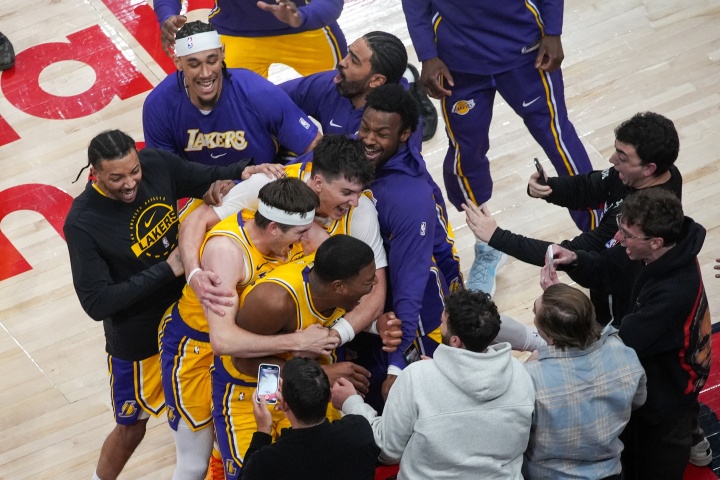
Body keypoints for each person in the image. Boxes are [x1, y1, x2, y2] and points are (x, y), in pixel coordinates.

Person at [63, 130, 264, 480]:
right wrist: (167, 269)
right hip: (140, 340)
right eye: (117, 178)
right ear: (94, 173)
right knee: (131, 428)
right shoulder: (82, 222)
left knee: (213, 413)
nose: (130, 183)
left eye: (134, 171)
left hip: (191, 320)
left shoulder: (156, 164)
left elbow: (204, 177)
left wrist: (239, 173)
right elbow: (97, 303)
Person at [402, 0, 597, 294]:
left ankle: (600, 233)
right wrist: (427, 54)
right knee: (465, 155)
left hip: (525, 50)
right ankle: (487, 244)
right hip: (458, 61)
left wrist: (553, 30)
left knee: (557, 139)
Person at [159, 177, 339, 479]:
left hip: (258, 357)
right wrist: (298, 341)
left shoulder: (284, 221)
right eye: (299, 233)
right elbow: (223, 341)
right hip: (197, 348)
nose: (304, 239)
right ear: (274, 228)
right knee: (194, 462)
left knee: (269, 424)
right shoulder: (227, 252)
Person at [547, 188, 712, 479]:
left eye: (626, 234)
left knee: (653, 467)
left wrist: (560, 306)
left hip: (667, 396)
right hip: (652, 373)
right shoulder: (660, 250)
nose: (618, 238)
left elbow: (617, 346)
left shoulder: (673, 292)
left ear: (655, 242)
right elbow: (605, 269)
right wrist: (574, 258)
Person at [178, 135, 398, 348]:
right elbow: (196, 220)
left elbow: (370, 289)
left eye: (359, 192)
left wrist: (332, 337)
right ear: (318, 182)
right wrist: (194, 273)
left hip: (274, 336)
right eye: (347, 192)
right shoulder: (267, 186)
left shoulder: (358, 215)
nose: (355, 202)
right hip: (208, 337)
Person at [464, 111, 683, 323]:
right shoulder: (663, 173)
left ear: (648, 169)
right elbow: (590, 187)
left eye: (622, 157)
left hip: (622, 305)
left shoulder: (633, 218)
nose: (612, 159)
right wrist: (549, 188)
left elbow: (568, 252)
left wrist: (496, 237)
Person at [211, 234, 378, 478]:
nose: (374, 284)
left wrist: (377, 325)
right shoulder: (273, 301)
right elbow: (242, 361)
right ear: (339, 287)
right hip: (253, 392)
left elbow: (371, 301)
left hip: (306, 391)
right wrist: (320, 374)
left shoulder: (334, 275)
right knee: (252, 471)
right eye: (368, 281)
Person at [332, 289, 535, 479]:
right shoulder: (520, 373)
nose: (439, 325)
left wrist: (351, 402)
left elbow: (387, 450)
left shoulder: (416, 377)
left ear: (455, 341)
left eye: (443, 322)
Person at [352, 84, 462, 409]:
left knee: (418, 402)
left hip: (419, 307)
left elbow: (410, 285)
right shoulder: (362, 152)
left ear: (404, 135)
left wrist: (397, 367)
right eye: (365, 128)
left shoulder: (408, 199)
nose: (368, 139)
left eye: (381, 134)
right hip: (377, 295)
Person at [142, 21, 321, 167]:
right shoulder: (158, 106)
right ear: (178, 63)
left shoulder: (257, 91)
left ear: (223, 53)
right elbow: (164, 174)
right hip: (202, 189)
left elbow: (314, 146)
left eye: (212, 61)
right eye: (194, 64)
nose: (205, 73)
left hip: (267, 179)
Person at [523, 284, 647, 479]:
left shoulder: (530, 378)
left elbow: (517, 434)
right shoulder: (622, 352)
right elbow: (638, 400)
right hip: (610, 472)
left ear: (551, 335)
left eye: (534, 311)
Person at [243, 358, 380, 480]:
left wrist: (263, 430)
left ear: (284, 404)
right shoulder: (360, 431)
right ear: (330, 396)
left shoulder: (265, 462)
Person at [152, 0, 346, 77]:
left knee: (344, 91)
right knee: (235, 107)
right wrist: (167, 15)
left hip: (305, 28)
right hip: (236, 32)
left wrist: (302, 17)